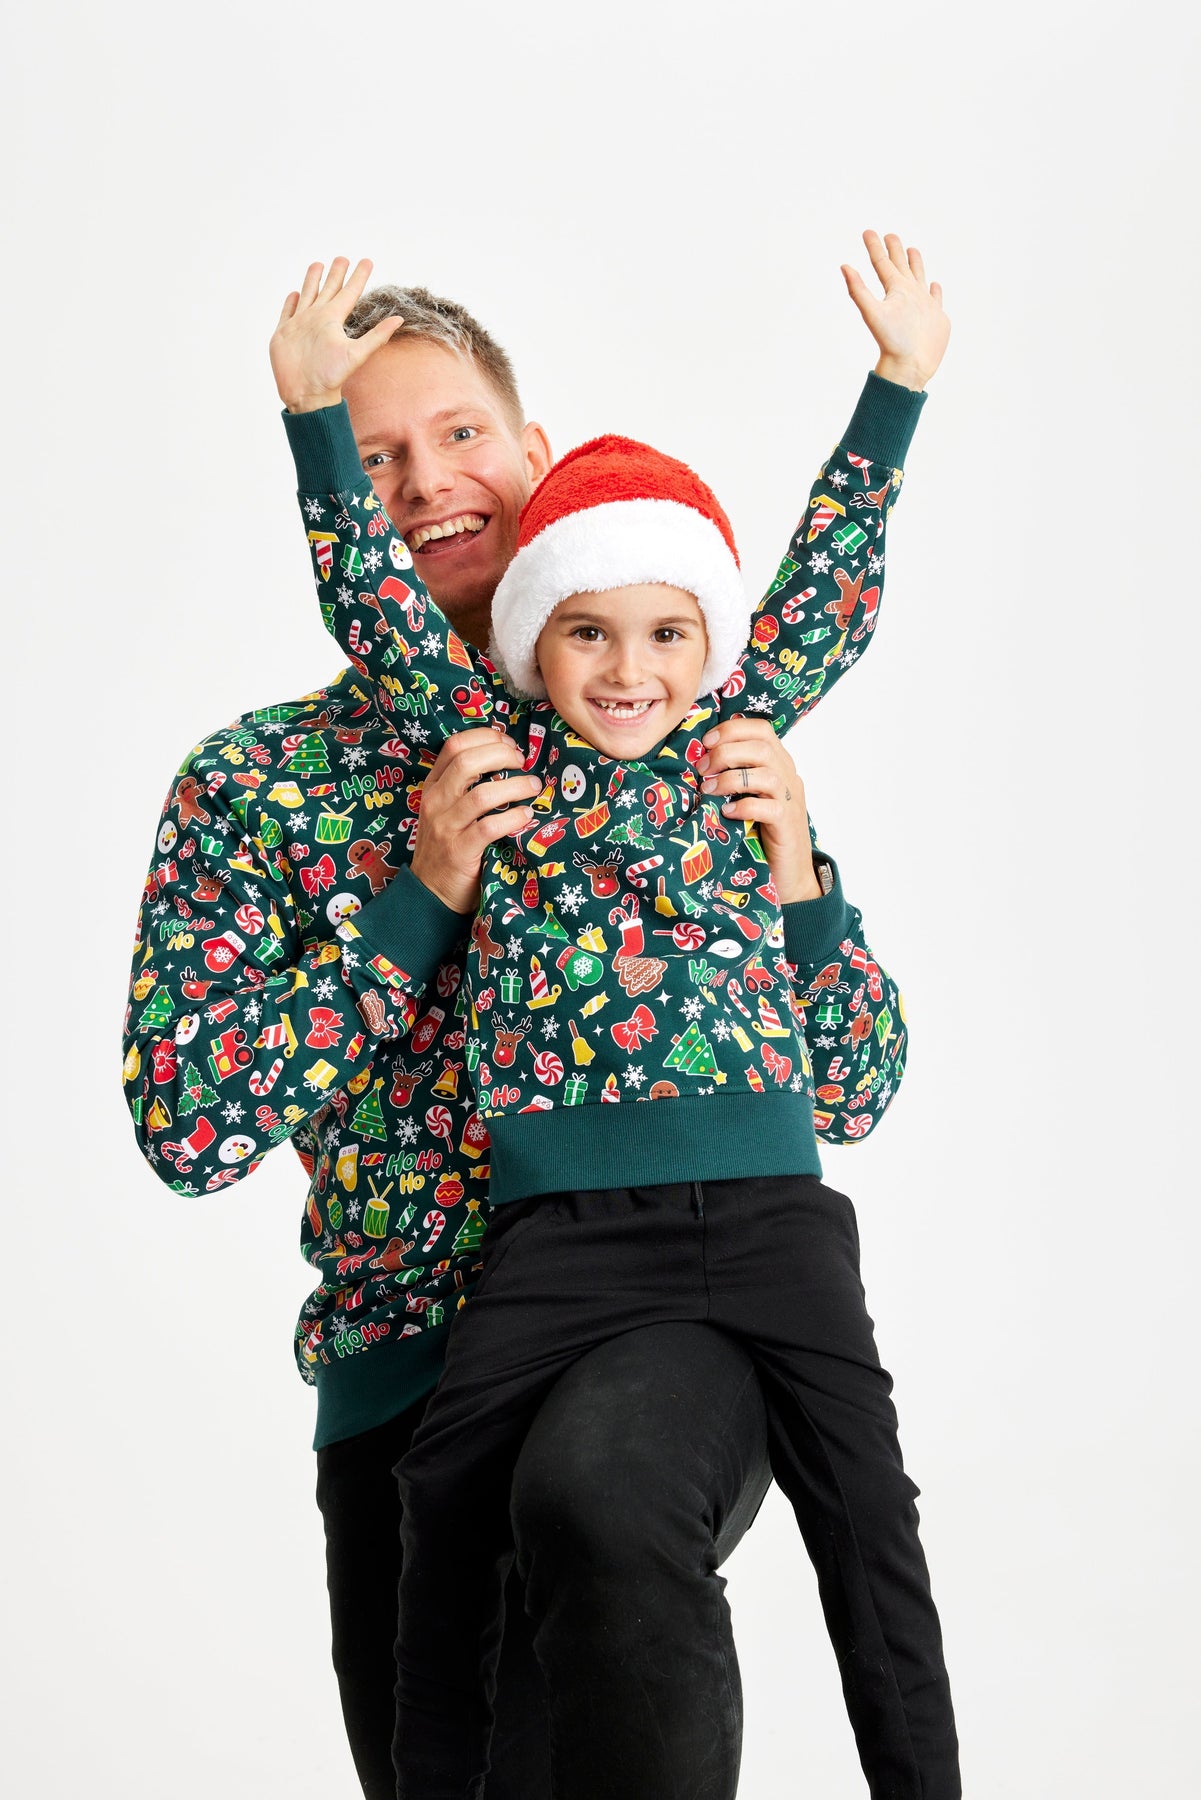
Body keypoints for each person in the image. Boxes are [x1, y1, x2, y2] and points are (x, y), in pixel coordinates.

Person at [121, 234, 926, 1800]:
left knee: (603, 1506)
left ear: (533, 454)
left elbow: (851, 1089)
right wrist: (413, 905)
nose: (427, 480)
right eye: (376, 456)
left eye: (459, 433)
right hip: (407, 1367)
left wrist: (799, 890)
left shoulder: (669, 722)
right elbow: (190, 1126)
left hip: (663, 1314)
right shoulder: (251, 786)